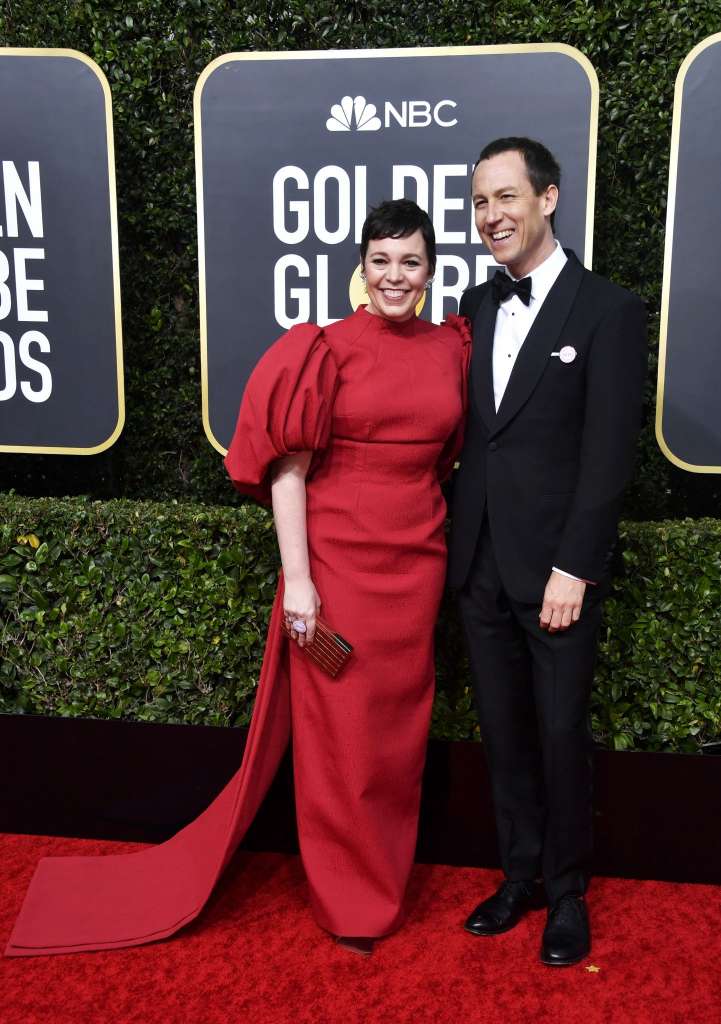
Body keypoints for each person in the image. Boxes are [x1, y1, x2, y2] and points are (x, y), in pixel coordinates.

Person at [6, 199, 470, 959]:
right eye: (381, 260)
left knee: (396, 738)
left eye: (411, 262)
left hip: (416, 566)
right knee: (341, 740)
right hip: (338, 567)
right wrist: (300, 581)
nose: (396, 276)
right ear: (361, 266)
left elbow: (446, 458)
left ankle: (386, 875)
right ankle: (348, 900)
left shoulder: (451, 348)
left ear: (430, 270)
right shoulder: (324, 349)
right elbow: (288, 473)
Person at [448, 138, 646, 966]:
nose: (490, 215)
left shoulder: (607, 309)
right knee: (502, 733)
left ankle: (567, 893)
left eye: (505, 197)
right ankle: (519, 876)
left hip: (557, 573)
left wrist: (575, 566)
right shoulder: (473, 303)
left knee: (560, 735)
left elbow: (607, 456)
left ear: (548, 198)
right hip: (479, 566)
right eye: (478, 202)